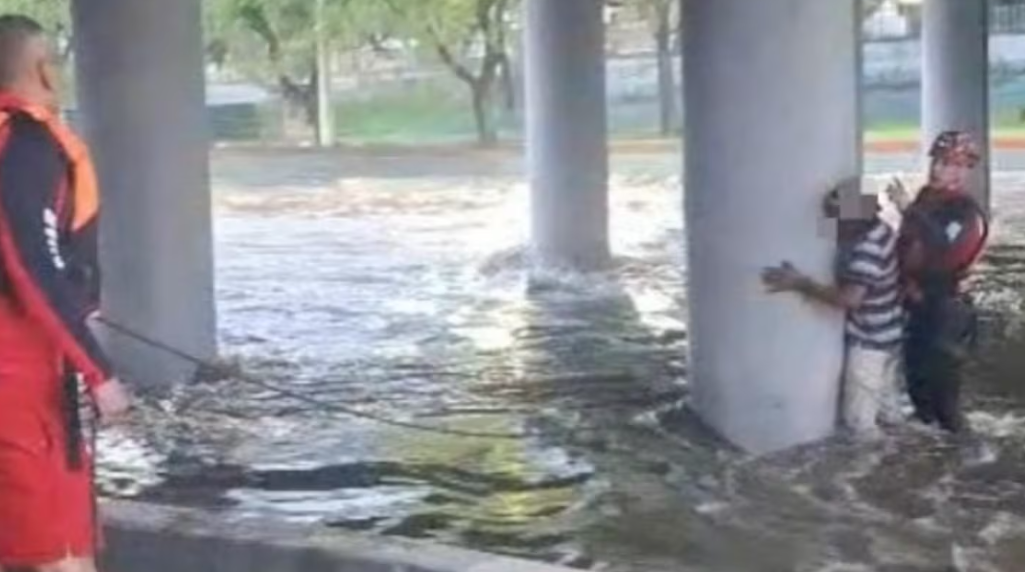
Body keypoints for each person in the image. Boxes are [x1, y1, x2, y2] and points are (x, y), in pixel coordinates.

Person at [0, 15, 130, 572]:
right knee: (58, 553)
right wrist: (98, 371)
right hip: (20, 375)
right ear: (43, 70)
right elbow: (34, 267)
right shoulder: (26, 148)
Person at [761, 180, 904, 439]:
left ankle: (875, 459)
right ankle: (905, 449)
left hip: (870, 343)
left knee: (859, 423)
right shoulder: (880, 229)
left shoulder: (867, 250)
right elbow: (828, 231)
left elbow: (850, 299)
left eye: (836, 217)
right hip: (890, 334)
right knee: (888, 410)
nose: (831, 224)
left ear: (855, 219)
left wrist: (801, 283)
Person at [889, 131, 989, 434]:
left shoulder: (965, 211)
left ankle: (964, 452)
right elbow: (910, 246)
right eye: (939, 161)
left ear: (965, 170)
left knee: (945, 402)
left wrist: (909, 211)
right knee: (918, 390)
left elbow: (943, 246)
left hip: (946, 310)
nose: (940, 169)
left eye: (952, 164)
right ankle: (933, 453)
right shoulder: (927, 200)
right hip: (919, 306)